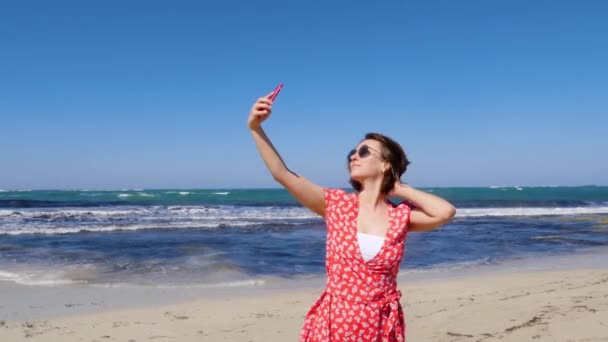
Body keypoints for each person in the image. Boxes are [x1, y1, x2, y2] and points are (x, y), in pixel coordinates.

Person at [247, 92, 456, 342]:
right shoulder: (336, 205)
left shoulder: (401, 216)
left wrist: (400, 188)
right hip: (334, 325)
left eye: (364, 151)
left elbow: (445, 212)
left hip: (380, 328)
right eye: (352, 153)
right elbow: (282, 174)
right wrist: (255, 128)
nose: (353, 156)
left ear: (385, 165)